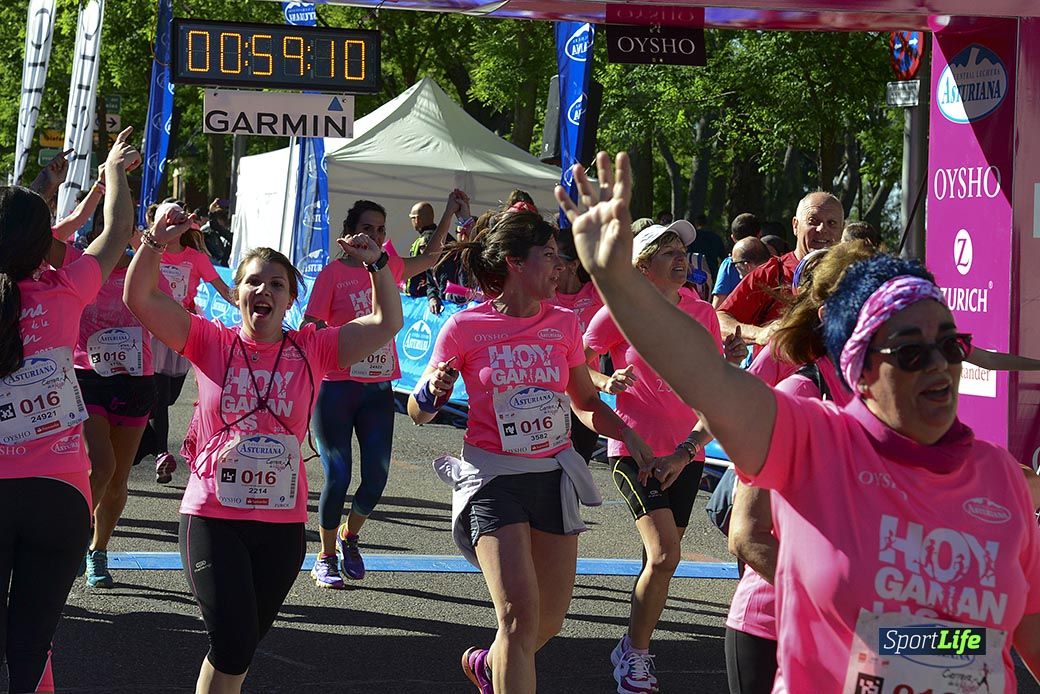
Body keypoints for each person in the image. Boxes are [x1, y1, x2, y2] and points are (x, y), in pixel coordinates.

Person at [559, 151, 1040, 692]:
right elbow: (706, 378)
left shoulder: (1000, 475)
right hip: (768, 630)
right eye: (909, 351)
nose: (938, 365)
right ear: (861, 366)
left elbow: (1026, 621)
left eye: (948, 345)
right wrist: (618, 280)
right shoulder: (813, 433)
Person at [125, 210, 402, 693]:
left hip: (281, 522)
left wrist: (376, 265)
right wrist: (154, 241)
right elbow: (139, 298)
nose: (264, 292)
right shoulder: (209, 340)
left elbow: (386, 322)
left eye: (277, 284)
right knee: (232, 641)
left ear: (291, 299)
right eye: (254, 282)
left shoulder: (312, 349)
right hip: (212, 514)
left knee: (239, 646)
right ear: (237, 294)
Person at [406, 208, 654, 693]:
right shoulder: (464, 327)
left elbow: (584, 402)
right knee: (518, 618)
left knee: (549, 622)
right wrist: (434, 389)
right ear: (515, 263)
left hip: (553, 477)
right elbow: (419, 412)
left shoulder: (563, 324)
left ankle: (487, 664)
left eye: (560, 257)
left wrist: (633, 438)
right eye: (549, 256)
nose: (560, 266)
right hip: (492, 480)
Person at [0, 127, 139, 693]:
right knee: (32, 642)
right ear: (46, 246)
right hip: (62, 493)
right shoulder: (66, 289)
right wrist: (113, 173)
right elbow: (119, 231)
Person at [583, 221, 744, 694]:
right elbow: (578, 362)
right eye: (665, 250)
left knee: (660, 560)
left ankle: (631, 644)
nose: (680, 258)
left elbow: (711, 385)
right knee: (665, 552)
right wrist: (604, 382)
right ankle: (635, 656)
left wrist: (728, 363)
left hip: (685, 453)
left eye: (682, 250)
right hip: (633, 449)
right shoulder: (617, 312)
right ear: (641, 265)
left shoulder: (702, 313)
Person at [302, 194, 459, 589]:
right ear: (350, 232)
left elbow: (434, 257)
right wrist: (345, 337)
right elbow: (310, 325)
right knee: (338, 475)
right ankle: (325, 556)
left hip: (376, 390)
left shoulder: (387, 267)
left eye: (381, 229)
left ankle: (349, 536)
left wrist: (448, 215)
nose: (374, 235)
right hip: (336, 389)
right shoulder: (332, 274)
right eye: (367, 228)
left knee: (376, 478)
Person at [53, 211, 165, 589]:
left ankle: (98, 551)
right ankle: (75, 535)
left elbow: (168, 310)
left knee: (118, 479)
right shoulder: (83, 266)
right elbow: (47, 241)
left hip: (135, 381)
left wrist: (143, 250)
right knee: (100, 466)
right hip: (88, 378)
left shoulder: (143, 270)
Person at [137, 210, 233, 484]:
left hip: (183, 328)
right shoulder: (153, 251)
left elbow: (223, 289)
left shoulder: (196, 258)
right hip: (155, 328)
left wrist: (247, 304)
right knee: (160, 394)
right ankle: (161, 453)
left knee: (167, 397)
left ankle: (144, 434)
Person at [717, 192, 843, 346]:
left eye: (832, 223)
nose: (822, 229)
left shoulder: (853, 276)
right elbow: (719, 319)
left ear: (842, 229)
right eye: (813, 221)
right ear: (795, 226)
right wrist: (759, 333)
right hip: (779, 367)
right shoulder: (773, 272)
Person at [551, 228, 604, 464]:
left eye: (556, 258)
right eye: (546, 255)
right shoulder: (542, 296)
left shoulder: (596, 295)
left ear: (573, 265)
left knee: (576, 470)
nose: (550, 264)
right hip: (547, 397)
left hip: (586, 397)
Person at [712, 213, 763, 307]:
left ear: (733, 238)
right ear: (760, 234)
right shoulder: (771, 263)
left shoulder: (729, 265)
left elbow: (717, 304)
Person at [713, 237, 771, 309]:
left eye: (734, 264)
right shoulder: (782, 277)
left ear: (747, 266)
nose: (734, 267)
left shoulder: (748, 290)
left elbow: (717, 310)